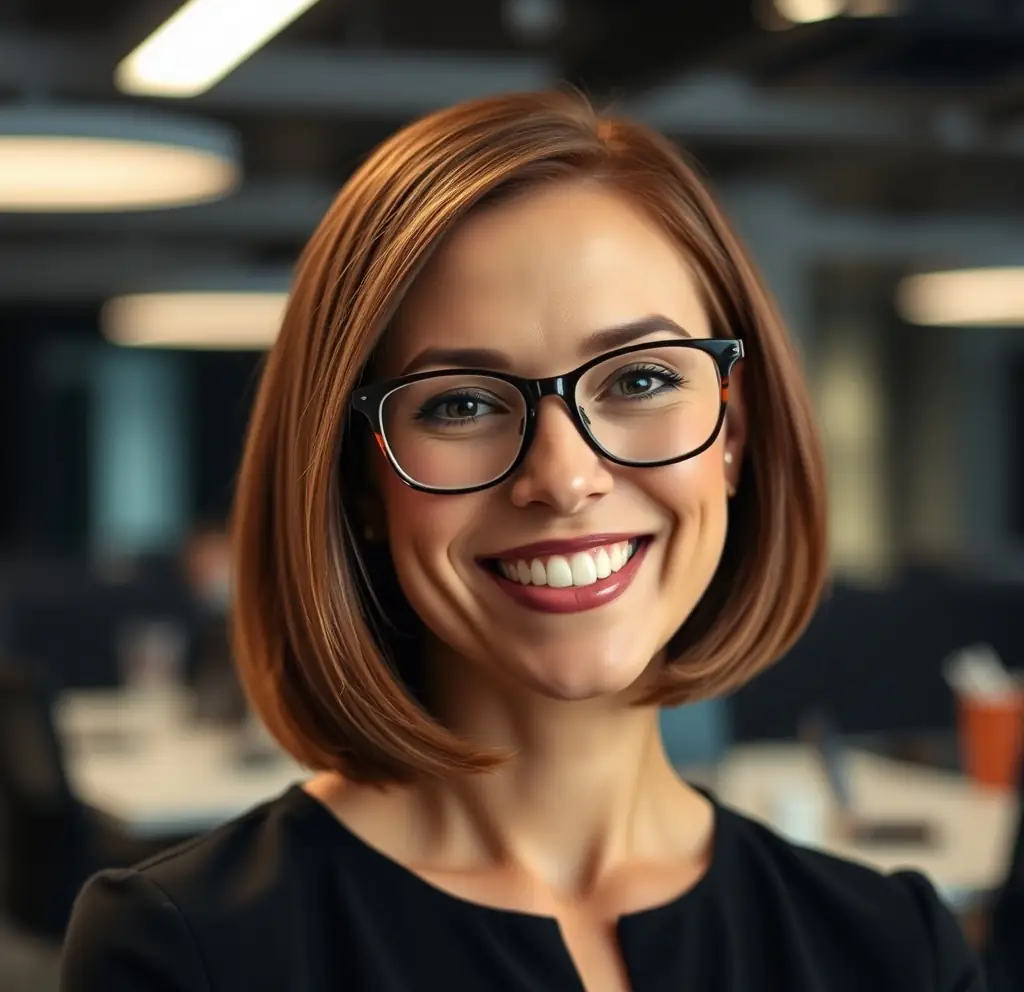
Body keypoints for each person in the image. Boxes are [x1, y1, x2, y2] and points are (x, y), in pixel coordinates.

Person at [60, 91, 983, 991]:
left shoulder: (891, 949)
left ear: (733, 435)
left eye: (642, 380)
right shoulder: (191, 954)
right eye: (460, 403)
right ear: (360, 482)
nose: (564, 478)